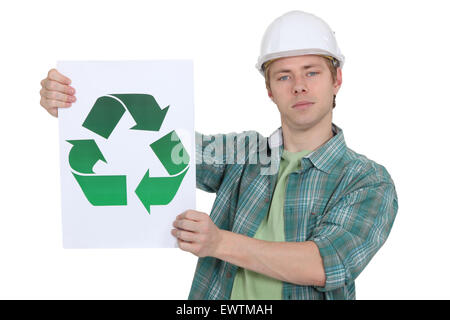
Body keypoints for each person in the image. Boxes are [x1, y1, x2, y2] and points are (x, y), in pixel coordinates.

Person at [39, 10, 398, 300]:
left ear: (336, 80)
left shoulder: (367, 180)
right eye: (284, 76)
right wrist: (75, 108)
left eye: (312, 72)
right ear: (270, 91)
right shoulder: (243, 154)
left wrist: (219, 242)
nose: (299, 86)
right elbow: (161, 144)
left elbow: (325, 263)